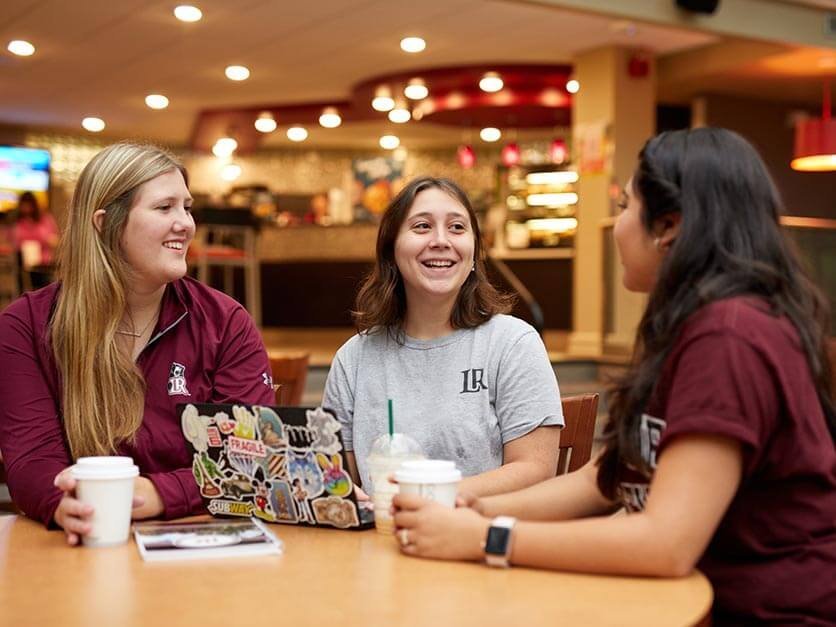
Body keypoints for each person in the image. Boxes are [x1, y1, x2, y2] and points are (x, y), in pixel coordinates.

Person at [392, 129, 836, 625]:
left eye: (625, 206)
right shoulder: (696, 326)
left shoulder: (729, 337)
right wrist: (471, 505)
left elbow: (666, 544)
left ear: (668, 226)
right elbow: (606, 482)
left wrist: (484, 538)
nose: (616, 227)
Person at [0, 143, 275, 544]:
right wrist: (62, 502)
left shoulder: (225, 322)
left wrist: (160, 494)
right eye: (164, 208)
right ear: (104, 223)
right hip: (85, 546)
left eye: (187, 207)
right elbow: (31, 459)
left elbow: (249, 460)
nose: (185, 223)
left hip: (202, 556)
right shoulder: (25, 325)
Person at [323, 176, 563, 498]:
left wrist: (431, 495)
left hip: (478, 539)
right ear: (391, 250)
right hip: (378, 541)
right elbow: (339, 479)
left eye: (457, 228)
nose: (440, 240)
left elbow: (536, 470)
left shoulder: (512, 343)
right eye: (422, 226)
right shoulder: (354, 358)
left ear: (475, 252)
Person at [13, 191, 59, 289]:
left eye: (28, 205)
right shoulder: (19, 221)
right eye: (23, 205)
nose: (26, 208)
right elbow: (15, 241)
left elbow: (53, 239)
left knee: (43, 290)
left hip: (43, 265)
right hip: (25, 264)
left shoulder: (45, 219)